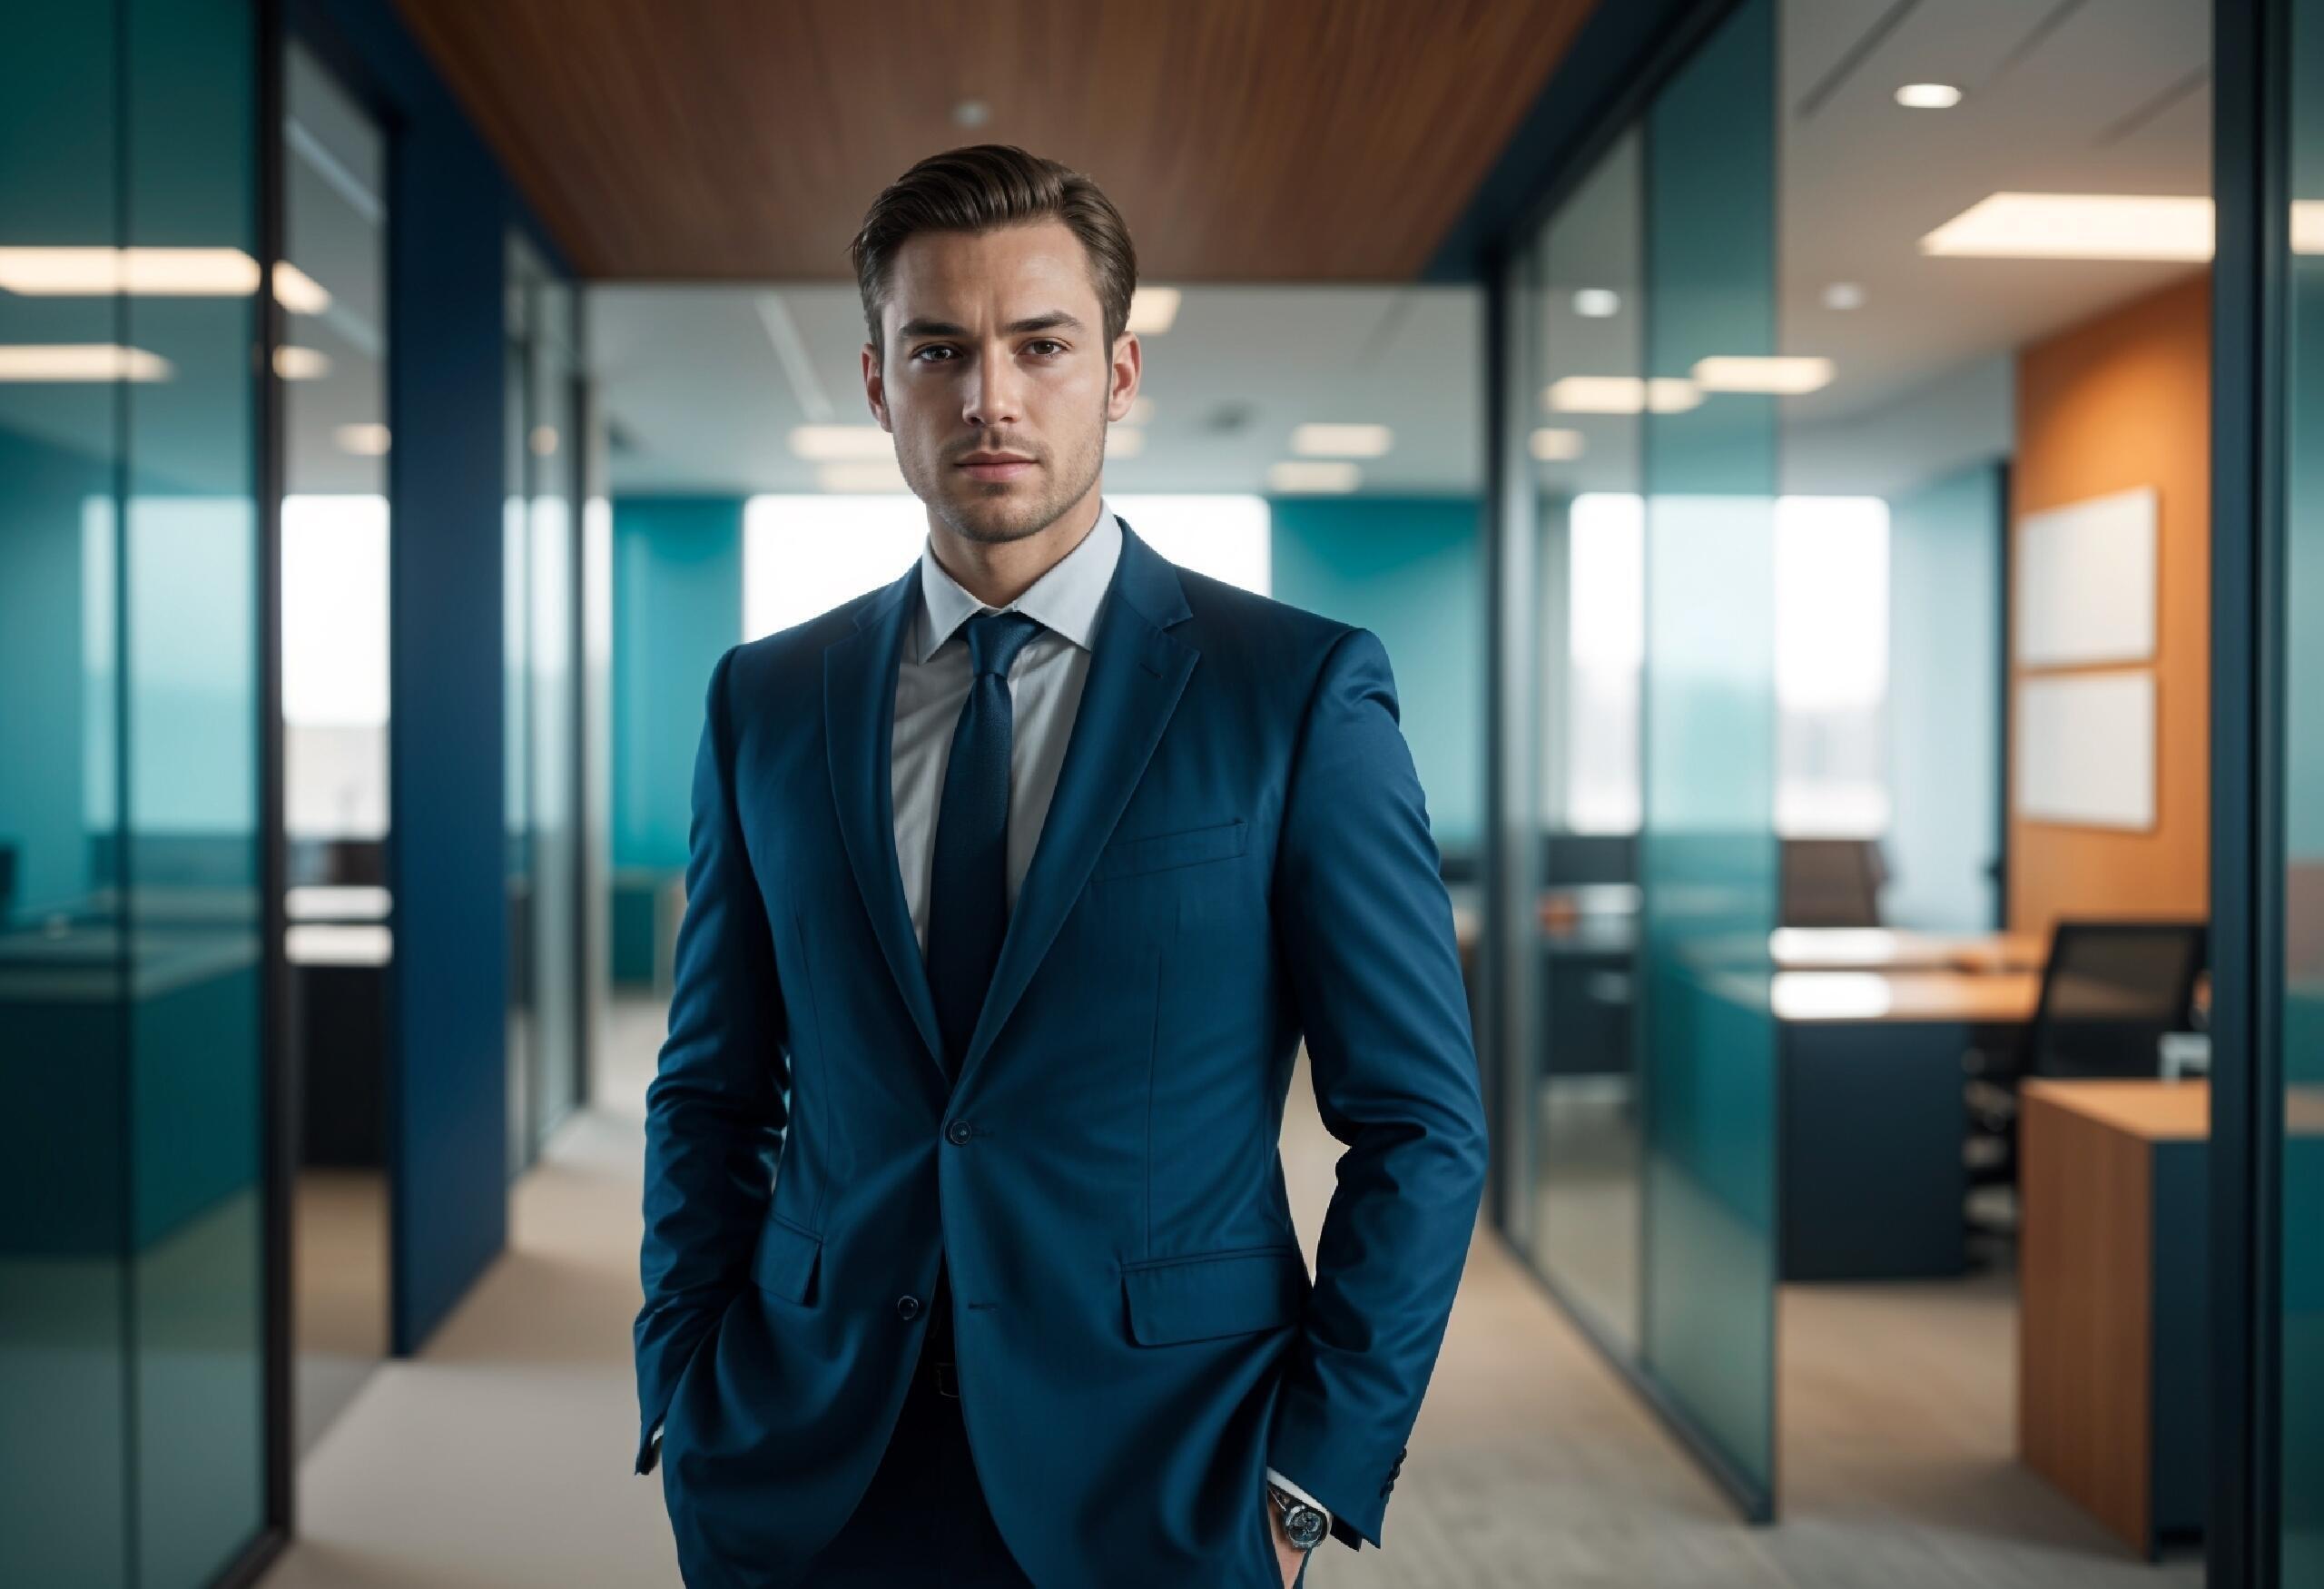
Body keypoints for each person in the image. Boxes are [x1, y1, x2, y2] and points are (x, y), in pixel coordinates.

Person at [634, 143, 1485, 1589]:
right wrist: (684, 1385)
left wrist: (1306, 1479)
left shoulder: (1294, 692)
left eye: (1040, 345)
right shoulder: (764, 701)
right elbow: (712, 1088)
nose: (989, 396)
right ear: (874, 382)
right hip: (809, 1459)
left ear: (1122, 373)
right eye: (938, 350)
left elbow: (1420, 1124)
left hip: (1165, 1467)